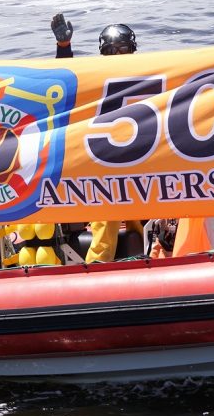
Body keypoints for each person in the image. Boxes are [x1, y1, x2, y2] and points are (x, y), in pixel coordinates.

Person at [51, 13, 144, 262]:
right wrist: (64, 47)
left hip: (142, 158)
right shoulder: (97, 77)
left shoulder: (148, 74)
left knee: (145, 221)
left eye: (123, 49)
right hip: (105, 160)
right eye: (112, 50)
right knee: (105, 227)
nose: (118, 55)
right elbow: (69, 81)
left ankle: (154, 263)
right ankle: (97, 270)